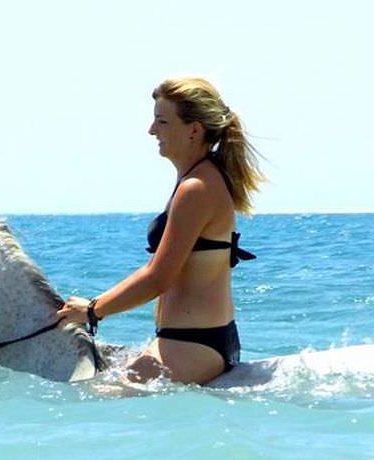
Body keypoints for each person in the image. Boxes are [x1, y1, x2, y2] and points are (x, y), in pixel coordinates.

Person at [56, 77, 265, 385]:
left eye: (162, 121)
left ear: (194, 130)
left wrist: (92, 310)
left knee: (100, 403)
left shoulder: (197, 188)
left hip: (195, 345)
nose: (152, 130)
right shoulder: (196, 180)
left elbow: (159, 276)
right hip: (189, 341)